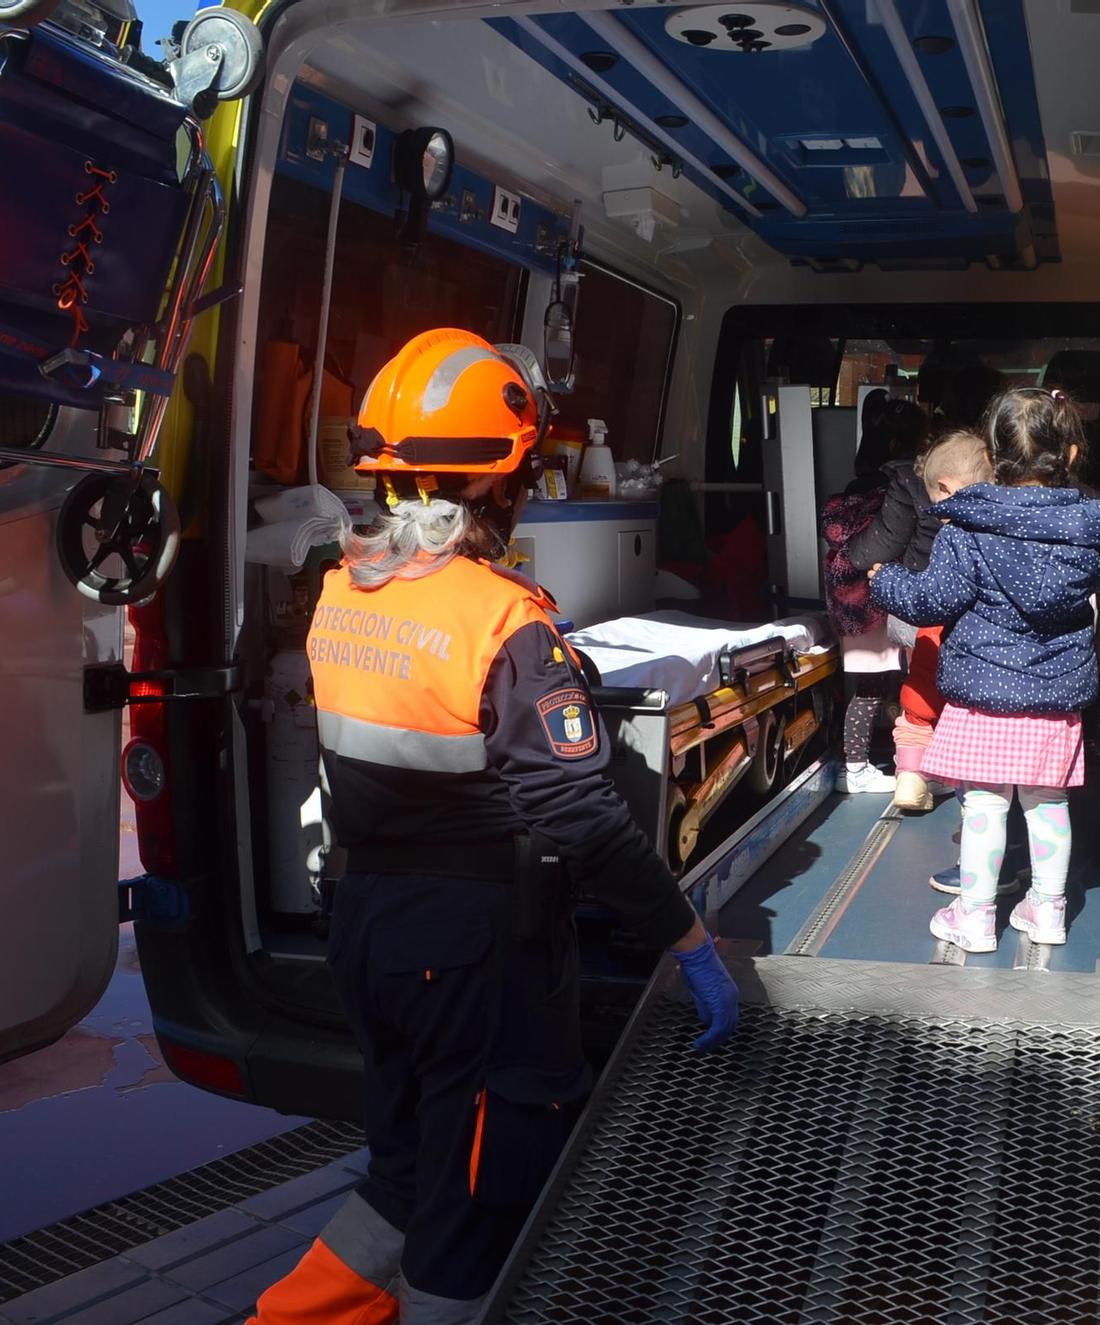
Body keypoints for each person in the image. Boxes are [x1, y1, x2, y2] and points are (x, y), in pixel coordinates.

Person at [250, 330, 739, 1324]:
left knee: (403, 1170)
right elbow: (577, 811)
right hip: (471, 956)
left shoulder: (343, 589)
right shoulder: (504, 618)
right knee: (475, 1200)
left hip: (370, 930)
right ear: (504, 480)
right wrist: (686, 941)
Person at [869, 388, 1100, 952]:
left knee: (985, 804)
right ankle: (1049, 910)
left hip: (982, 691)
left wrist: (885, 581)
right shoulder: (1090, 533)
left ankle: (976, 915)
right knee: (1048, 802)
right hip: (1055, 695)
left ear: (991, 453)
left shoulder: (967, 529)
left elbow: (930, 603)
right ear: (1072, 457)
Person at [846, 428, 992, 811]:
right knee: (962, 713)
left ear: (943, 487)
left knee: (917, 709)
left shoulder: (947, 535)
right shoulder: (998, 531)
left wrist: (886, 581)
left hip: (927, 632)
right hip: (974, 644)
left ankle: (910, 778)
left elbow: (922, 589)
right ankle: (956, 782)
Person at [823, 395, 928, 793]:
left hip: (853, 604)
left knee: (868, 688)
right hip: (890, 598)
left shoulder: (852, 492)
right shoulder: (901, 491)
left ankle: (858, 765)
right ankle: (900, 767)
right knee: (914, 683)